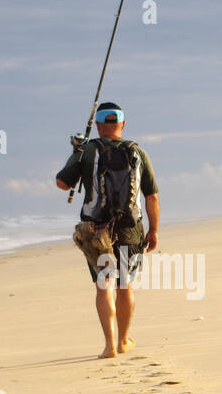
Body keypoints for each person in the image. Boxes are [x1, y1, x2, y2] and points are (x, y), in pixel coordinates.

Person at [56, 102, 159, 358]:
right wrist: (153, 230)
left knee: (103, 285)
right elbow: (152, 197)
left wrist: (76, 152)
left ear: (99, 126)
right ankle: (124, 340)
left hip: (96, 229)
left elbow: (61, 183)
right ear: (122, 124)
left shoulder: (87, 151)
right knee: (125, 286)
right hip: (131, 229)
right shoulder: (138, 152)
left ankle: (109, 345)